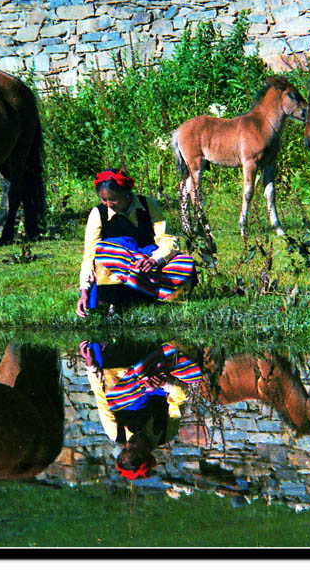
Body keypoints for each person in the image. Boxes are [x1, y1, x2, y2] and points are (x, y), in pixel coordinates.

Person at [76, 168, 195, 316]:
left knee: (184, 262)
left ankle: (151, 296)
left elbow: (167, 240)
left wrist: (153, 260)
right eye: (103, 199)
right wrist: (84, 291)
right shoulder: (97, 213)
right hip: (119, 267)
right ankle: (116, 300)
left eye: (113, 199)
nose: (108, 204)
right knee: (105, 251)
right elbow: (90, 254)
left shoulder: (149, 205)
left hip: (148, 263)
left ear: (126, 193)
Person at [79, 340, 202, 480]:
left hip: (128, 382)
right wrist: (165, 384)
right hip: (156, 380)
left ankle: (133, 351)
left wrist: (91, 368)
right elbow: (180, 398)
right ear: (145, 453)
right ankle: (156, 352)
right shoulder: (166, 432)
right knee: (194, 375)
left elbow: (101, 397)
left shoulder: (115, 432)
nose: (127, 444)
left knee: (113, 391)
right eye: (131, 449)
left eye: (123, 449)